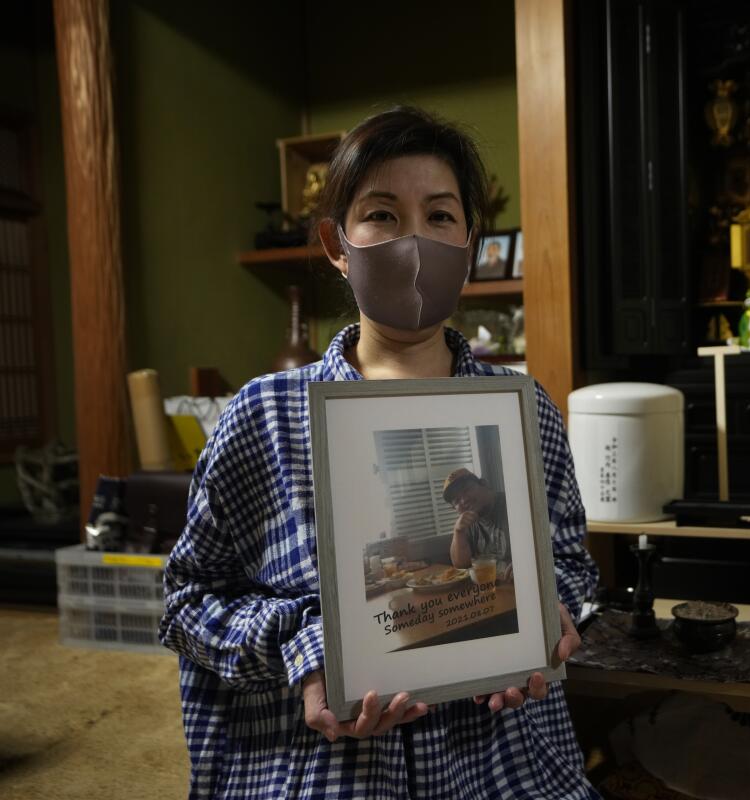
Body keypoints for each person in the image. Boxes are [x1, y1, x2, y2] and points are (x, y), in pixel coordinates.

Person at [159, 106, 600, 799]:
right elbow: (188, 602)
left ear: (473, 239)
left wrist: (551, 617)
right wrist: (306, 654)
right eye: (383, 215)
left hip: (500, 769)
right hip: (323, 773)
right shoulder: (263, 415)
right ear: (337, 242)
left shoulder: (525, 411)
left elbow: (569, 560)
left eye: (441, 216)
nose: (415, 241)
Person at [443, 467, 511, 567]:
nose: (463, 501)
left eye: (466, 490)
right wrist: (458, 532)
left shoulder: (511, 505)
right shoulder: (469, 521)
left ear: (484, 484)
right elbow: (461, 565)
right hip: (490, 582)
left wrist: (522, 564)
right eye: (457, 501)